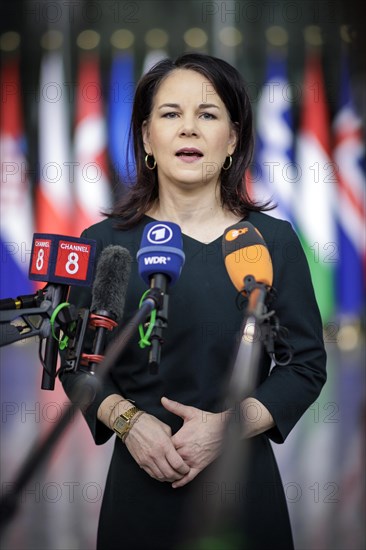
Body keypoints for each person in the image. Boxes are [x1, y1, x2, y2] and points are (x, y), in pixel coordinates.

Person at [60, 52, 327, 549]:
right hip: (139, 487)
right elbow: (76, 363)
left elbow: (305, 365)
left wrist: (225, 429)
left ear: (232, 139)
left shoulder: (271, 240)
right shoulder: (103, 243)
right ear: (145, 137)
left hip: (243, 489)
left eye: (207, 115)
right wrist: (129, 421)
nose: (188, 129)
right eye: (170, 114)